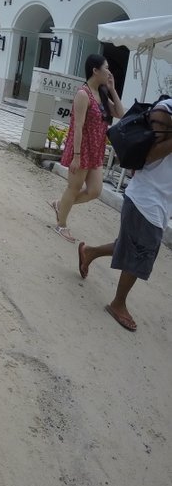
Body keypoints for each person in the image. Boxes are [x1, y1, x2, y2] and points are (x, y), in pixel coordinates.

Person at [76, 99, 172, 332]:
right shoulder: (166, 109)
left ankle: (90, 252)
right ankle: (118, 303)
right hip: (147, 198)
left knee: (131, 245)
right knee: (141, 253)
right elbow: (147, 154)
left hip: (159, 200)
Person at [50, 54, 124, 242]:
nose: (109, 72)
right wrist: (76, 156)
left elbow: (120, 113)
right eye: (106, 68)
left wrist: (112, 89)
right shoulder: (83, 94)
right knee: (73, 187)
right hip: (82, 149)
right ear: (95, 70)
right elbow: (78, 126)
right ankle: (61, 225)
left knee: (95, 191)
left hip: (96, 149)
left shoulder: (103, 93)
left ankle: (61, 205)